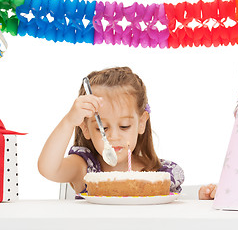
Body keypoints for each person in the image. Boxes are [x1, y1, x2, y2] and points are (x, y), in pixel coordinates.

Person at [38, 66, 185, 197]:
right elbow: (49, 169)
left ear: (141, 123)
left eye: (124, 126)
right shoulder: (84, 168)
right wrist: (68, 122)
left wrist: (203, 196)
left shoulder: (160, 175)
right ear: (85, 128)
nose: (113, 137)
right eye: (102, 128)